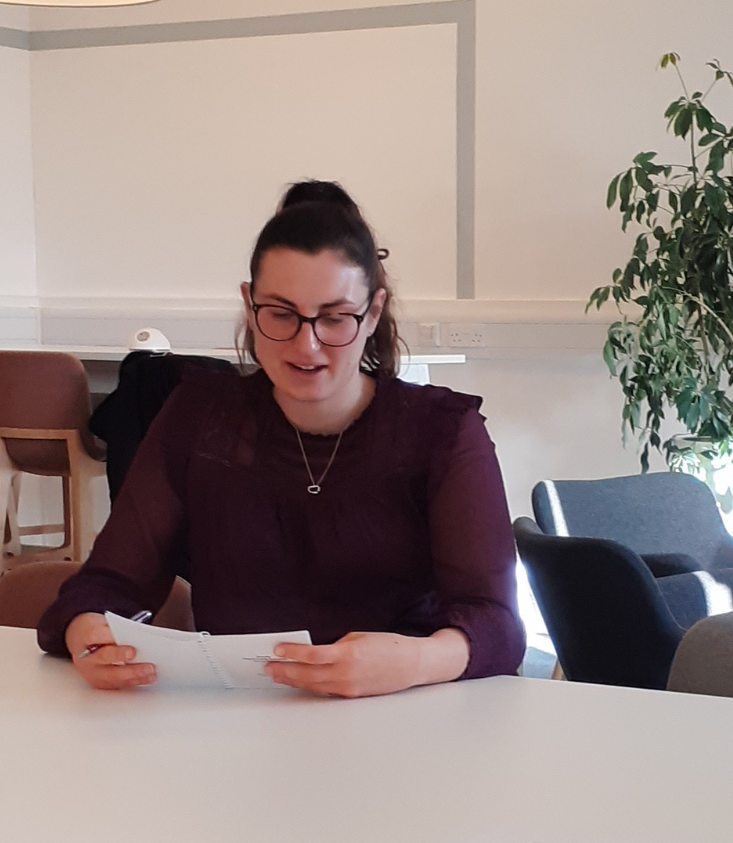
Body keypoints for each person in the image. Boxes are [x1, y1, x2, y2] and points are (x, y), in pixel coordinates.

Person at [38, 181, 524, 697]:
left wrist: (415, 661)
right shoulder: (197, 418)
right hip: (237, 718)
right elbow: (107, 584)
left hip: (406, 714)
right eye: (281, 314)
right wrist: (86, 629)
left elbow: (495, 623)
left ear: (373, 312)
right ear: (249, 306)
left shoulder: (443, 431)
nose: (306, 345)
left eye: (334, 318)